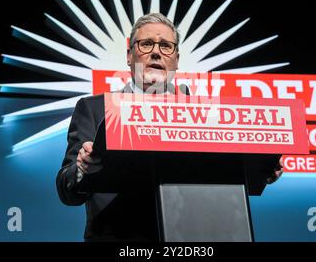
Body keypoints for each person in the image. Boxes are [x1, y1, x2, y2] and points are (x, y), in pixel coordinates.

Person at [56, 13, 283, 242]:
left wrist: (260, 169)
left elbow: (221, 175)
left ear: (176, 59)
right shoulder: (94, 108)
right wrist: (82, 171)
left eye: (166, 46)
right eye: (146, 44)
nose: (156, 52)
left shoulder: (204, 116)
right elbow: (66, 188)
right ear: (129, 55)